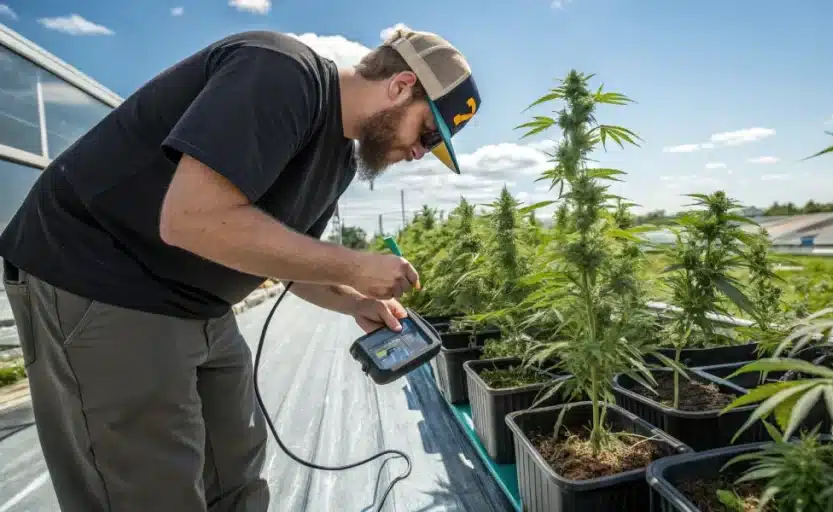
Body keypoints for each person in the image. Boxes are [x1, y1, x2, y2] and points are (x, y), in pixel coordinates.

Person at [0, 27, 481, 512]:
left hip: (198, 304)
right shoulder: (279, 72)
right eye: (428, 132)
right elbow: (190, 219)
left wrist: (356, 300)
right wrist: (356, 265)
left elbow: (291, 262)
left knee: (237, 473)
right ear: (399, 86)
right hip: (102, 278)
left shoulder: (337, 161)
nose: (421, 153)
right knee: (148, 490)